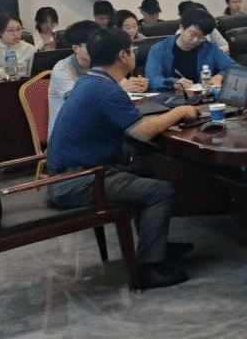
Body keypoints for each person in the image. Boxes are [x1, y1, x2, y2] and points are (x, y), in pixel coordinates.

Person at [45, 27, 200, 289]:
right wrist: (181, 111)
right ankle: (149, 269)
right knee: (160, 191)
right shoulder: (105, 89)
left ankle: (156, 245)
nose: (133, 54)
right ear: (122, 56)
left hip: (71, 175)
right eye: (132, 50)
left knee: (145, 169)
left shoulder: (91, 81)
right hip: (77, 182)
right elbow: (142, 132)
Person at [48, 20, 147, 135]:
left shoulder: (100, 61)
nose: (98, 47)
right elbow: (83, 102)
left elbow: (122, 84)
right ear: (76, 48)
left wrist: (135, 85)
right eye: (91, 45)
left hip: (98, 127)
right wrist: (122, 89)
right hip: (70, 133)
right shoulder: (62, 69)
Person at [145, 7, 235, 94]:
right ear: (182, 27)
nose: (196, 40)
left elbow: (234, 68)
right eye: (193, 34)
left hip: (202, 97)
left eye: (201, 37)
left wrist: (220, 76)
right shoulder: (159, 49)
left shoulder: (209, 48)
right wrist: (173, 83)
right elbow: (152, 79)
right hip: (170, 98)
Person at [0, 13, 36, 80]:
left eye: (18, 29)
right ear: (1, 32)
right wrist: (2, 75)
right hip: (0, 83)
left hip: (25, 83)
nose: (16, 34)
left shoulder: (29, 48)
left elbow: (33, 73)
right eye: (11, 30)